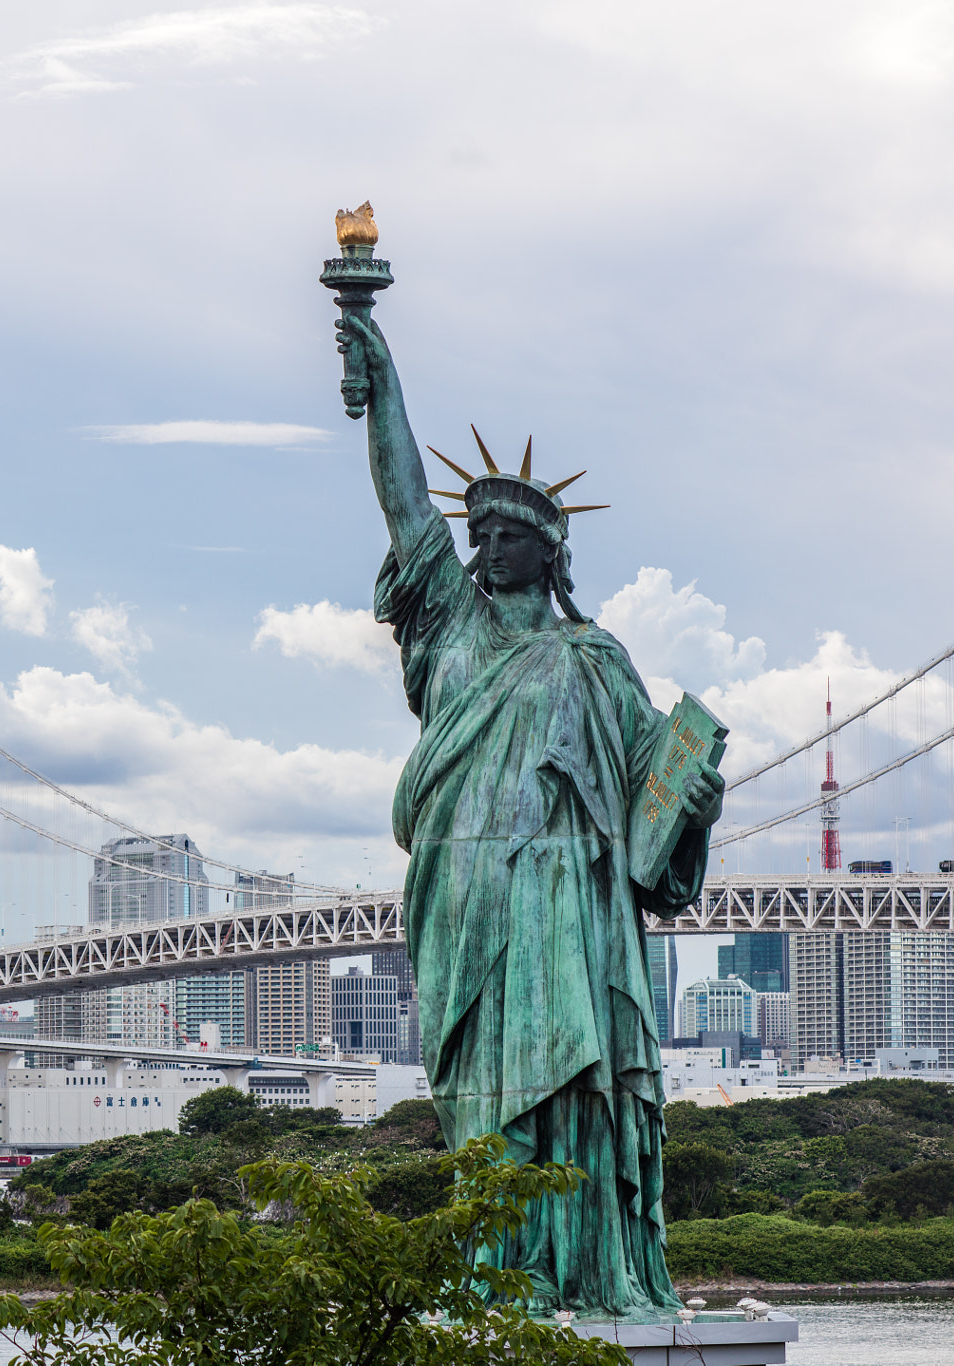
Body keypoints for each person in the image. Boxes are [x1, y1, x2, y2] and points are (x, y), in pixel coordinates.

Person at [339, 309, 725, 1316]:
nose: (489, 546)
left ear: (549, 552)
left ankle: (584, 1267)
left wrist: (694, 800)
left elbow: (652, 802)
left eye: (511, 535)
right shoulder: (447, 629)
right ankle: (491, 1266)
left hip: (567, 897)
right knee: (478, 1091)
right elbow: (400, 508)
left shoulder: (594, 659)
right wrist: (377, 372)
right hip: (464, 890)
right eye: (481, 534)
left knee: (574, 1083)